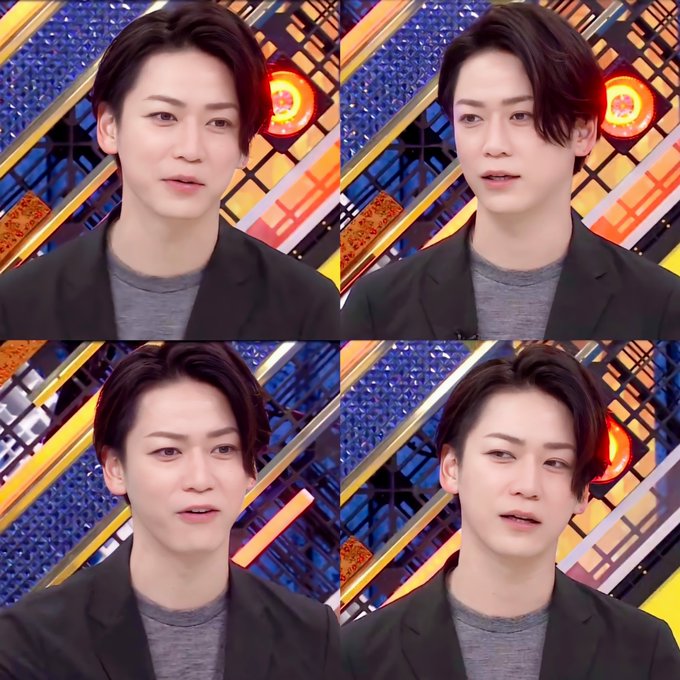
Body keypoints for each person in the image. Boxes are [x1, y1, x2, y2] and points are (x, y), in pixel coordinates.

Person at [0, 3, 339, 341]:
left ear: (244, 147)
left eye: (219, 122)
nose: (190, 149)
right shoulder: (19, 303)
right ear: (109, 127)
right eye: (164, 116)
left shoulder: (307, 307)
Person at [0, 343, 339, 679]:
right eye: (168, 451)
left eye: (223, 449)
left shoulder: (312, 638)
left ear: (250, 469)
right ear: (115, 468)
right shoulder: (27, 645)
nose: (199, 479)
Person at [341, 4, 680, 340]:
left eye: (521, 116)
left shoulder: (661, 305)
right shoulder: (380, 304)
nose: (493, 145)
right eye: (471, 118)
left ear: (583, 132)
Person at [341, 345, 680, 679]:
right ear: (451, 467)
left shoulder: (643, 652)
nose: (527, 485)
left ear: (582, 493)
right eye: (502, 454)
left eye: (555, 462)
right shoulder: (358, 658)